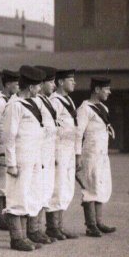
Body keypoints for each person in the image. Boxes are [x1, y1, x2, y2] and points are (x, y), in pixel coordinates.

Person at [2, 65, 47, 252]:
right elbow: (9, 137)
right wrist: (11, 163)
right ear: (30, 87)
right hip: (20, 159)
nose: (39, 90)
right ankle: (17, 238)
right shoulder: (15, 106)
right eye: (37, 87)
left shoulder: (34, 103)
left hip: (33, 158)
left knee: (29, 195)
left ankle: (26, 235)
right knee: (16, 196)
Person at [76, 76, 116, 238]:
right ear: (97, 89)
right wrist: (77, 155)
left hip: (102, 155)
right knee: (90, 187)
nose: (109, 92)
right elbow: (78, 134)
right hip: (90, 155)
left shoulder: (104, 109)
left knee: (101, 186)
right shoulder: (85, 109)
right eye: (106, 89)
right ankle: (91, 225)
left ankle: (99, 222)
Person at [26, 65, 59, 245]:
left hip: (47, 151)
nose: (53, 85)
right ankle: (33, 229)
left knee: (45, 189)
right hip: (38, 151)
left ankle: (38, 228)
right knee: (35, 189)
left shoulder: (46, 100)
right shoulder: (37, 101)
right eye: (51, 82)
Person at [47, 69, 79, 239]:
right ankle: (52, 227)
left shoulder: (69, 101)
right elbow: (52, 129)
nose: (74, 83)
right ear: (60, 82)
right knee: (57, 187)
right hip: (58, 149)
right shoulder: (54, 101)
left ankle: (59, 225)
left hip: (69, 149)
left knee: (66, 187)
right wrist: (54, 154)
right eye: (71, 80)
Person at [0, 69, 20, 231]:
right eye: (15, 84)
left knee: (9, 183)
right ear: (8, 84)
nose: (18, 86)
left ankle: (6, 216)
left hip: (10, 146)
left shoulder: (14, 100)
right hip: (0, 146)